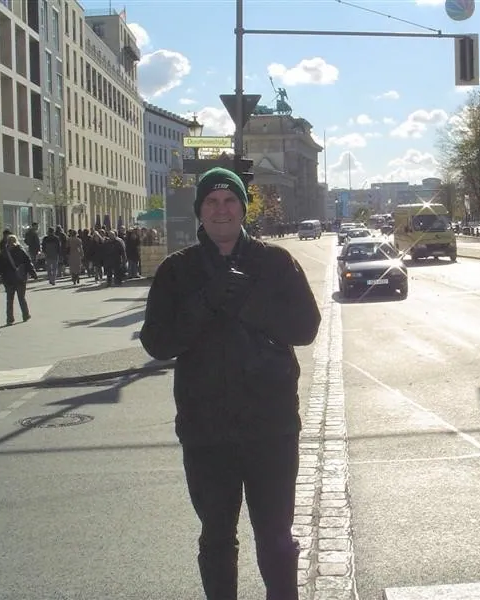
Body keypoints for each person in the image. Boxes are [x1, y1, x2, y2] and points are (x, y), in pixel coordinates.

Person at [140, 167, 321, 600]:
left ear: (243, 208)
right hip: (206, 432)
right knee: (217, 536)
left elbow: (306, 327)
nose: (221, 210)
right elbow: (157, 342)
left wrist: (251, 304)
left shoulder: (276, 262)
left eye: (230, 201)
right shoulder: (177, 271)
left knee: (275, 534)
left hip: (271, 428)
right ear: (200, 212)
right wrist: (203, 302)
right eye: (211, 202)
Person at [0, 234, 37, 325]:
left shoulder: (3, 253)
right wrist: (33, 273)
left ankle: (10, 318)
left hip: (8, 279)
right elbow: (28, 262)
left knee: (9, 299)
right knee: (21, 298)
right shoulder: (20, 250)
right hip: (20, 278)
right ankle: (25, 315)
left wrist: (2, 274)